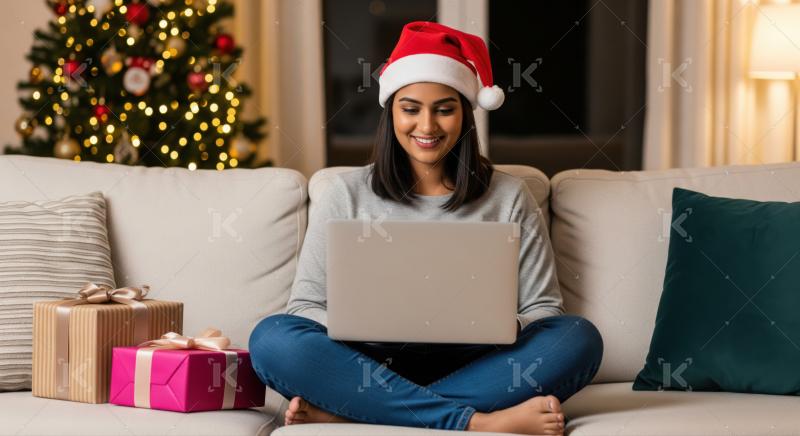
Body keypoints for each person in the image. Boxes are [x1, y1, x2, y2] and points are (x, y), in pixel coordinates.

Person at [248, 21, 603, 436]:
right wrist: (355, 324)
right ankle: (472, 421)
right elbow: (305, 307)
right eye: (411, 108)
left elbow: (545, 310)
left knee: (578, 338)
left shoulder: (510, 196)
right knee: (272, 339)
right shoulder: (344, 193)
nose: (427, 126)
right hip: (366, 363)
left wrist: (505, 325)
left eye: (444, 109)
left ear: (465, 114)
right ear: (392, 113)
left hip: (479, 360)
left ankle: (359, 412)